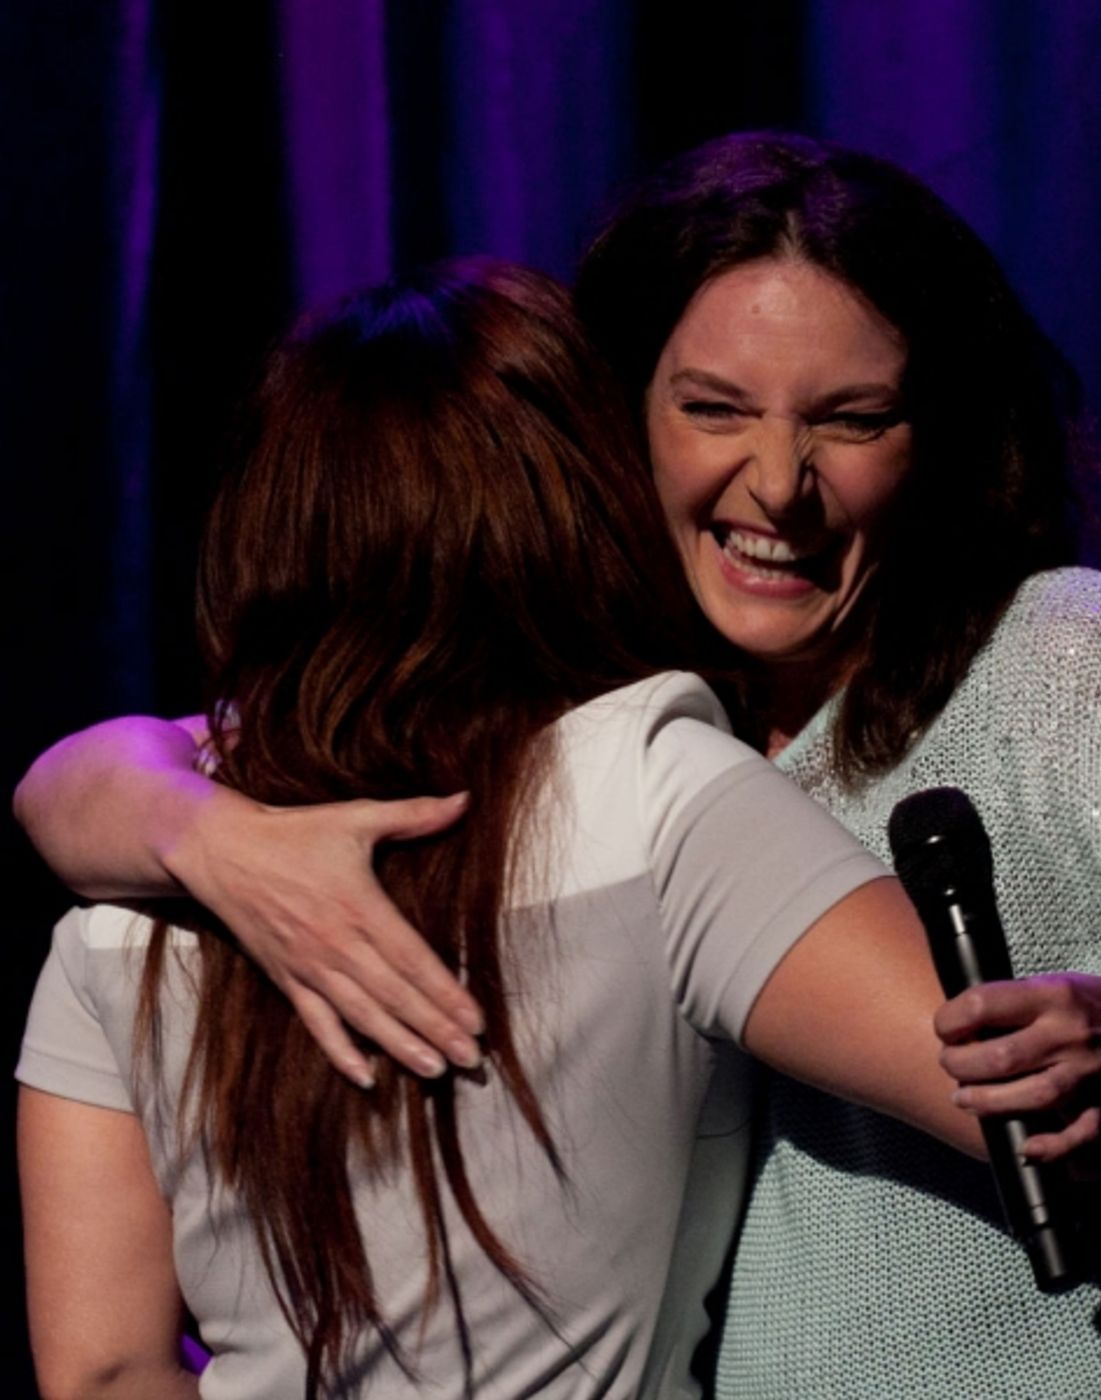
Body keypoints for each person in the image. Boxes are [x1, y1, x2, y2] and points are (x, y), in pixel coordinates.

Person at [16, 135, 1101, 1396]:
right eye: (715, 407)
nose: (779, 481)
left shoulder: (1058, 661)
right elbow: (86, 782)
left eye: (852, 419)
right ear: (612, 428)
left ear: (944, 440)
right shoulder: (620, 739)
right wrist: (210, 835)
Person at [17, 258, 992, 1398]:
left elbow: (102, 1369)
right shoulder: (653, 789)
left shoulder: (122, 915)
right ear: (573, 501)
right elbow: (1019, 1102)